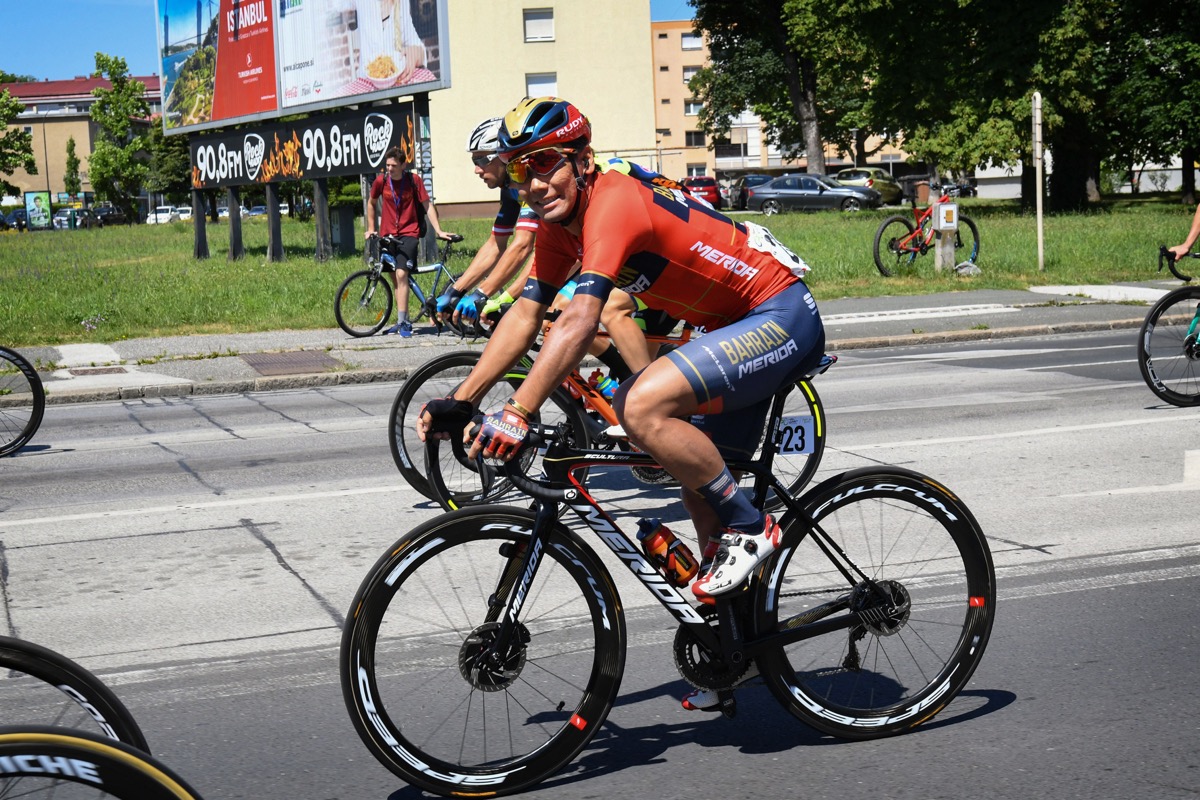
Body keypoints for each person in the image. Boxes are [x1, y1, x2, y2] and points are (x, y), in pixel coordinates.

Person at [417, 97, 825, 708]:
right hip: (727, 328)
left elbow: (582, 318)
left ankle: (752, 525)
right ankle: (735, 652)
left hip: (780, 312)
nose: (532, 182)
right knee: (700, 495)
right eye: (520, 169)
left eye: (545, 164)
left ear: (581, 160)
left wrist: (518, 411)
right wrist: (463, 397)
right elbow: (529, 314)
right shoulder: (559, 226)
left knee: (640, 406)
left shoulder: (613, 201)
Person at [364, 146, 456, 337]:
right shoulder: (381, 181)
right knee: (396, 281)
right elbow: (371, 203)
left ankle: (404, 322)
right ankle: (401, 319)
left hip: (409, 233)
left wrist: (438, 229)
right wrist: (371, 228)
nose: (389, 169)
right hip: (387, 234)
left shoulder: (413, 181)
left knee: (401, 274)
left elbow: (427, 205)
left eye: (393, 166)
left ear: (403, 165)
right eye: (387, 165)